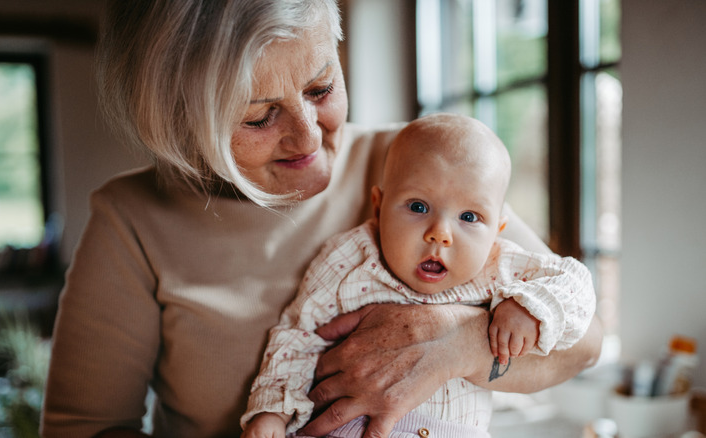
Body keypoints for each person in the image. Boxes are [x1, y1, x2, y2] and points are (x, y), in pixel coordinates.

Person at [40, 1, 603, 437]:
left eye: (321, 88)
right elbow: (81, 428)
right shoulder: (131, 220)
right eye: (260, 117)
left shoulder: (420, 169)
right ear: (184, 123)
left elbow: (584, 340)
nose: (309, 137)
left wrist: (459, 345)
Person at [240, 114, 596, 438]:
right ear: (379, 207)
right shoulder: (349, 257)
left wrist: (530, 306)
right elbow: (297, 336)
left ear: (497, 230)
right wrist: (272, 411)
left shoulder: (499, 264)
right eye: (418, 207)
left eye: (469, 217)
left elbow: (574, 281)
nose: (440, 234)